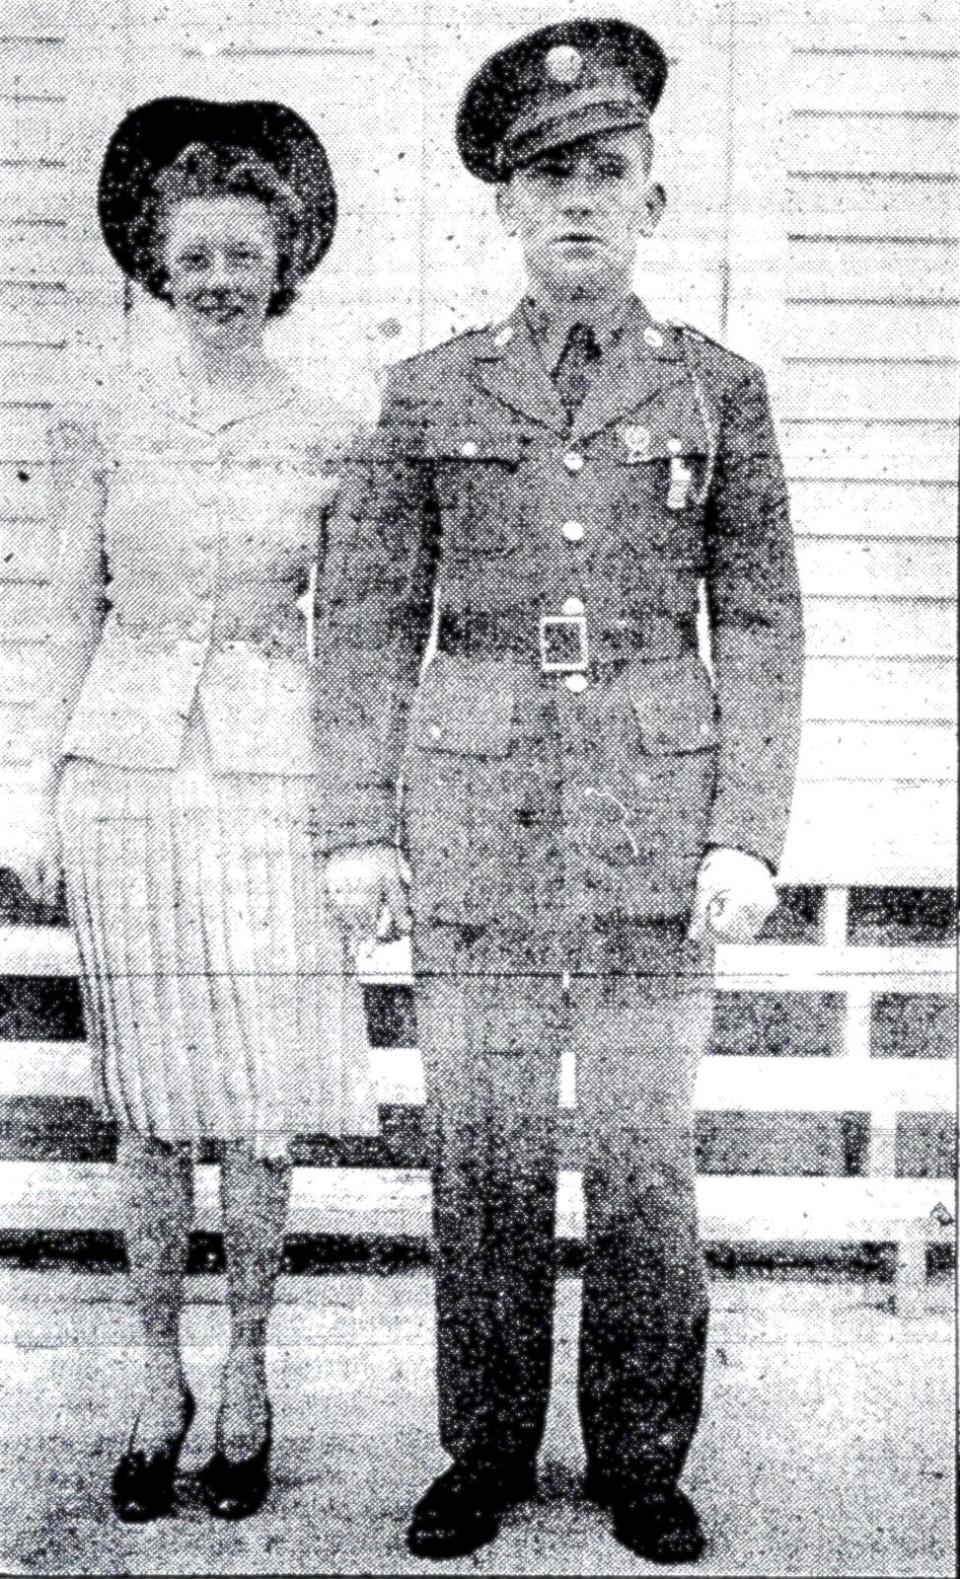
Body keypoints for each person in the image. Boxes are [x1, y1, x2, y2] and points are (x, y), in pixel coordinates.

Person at [321, 15, 804, 1565]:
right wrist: (355, 825)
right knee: (484, 1152)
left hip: (656, 828)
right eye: (544, 182)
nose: (576, 203)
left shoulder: (718, 391)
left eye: (605, 171)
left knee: (649, 1163)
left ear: (654, 195)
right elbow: (371, 622)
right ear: (506, 212)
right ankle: (483, 1449)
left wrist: (746, 830)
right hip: (475, 819)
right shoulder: (428, 390)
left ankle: (645, 1459)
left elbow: (770, 620)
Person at [14, 97, 378, 1523]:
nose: (221, 279)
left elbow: (348, 646)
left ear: (283, 267)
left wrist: (358, 818)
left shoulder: (334, 432)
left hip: (272, 789)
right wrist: (28, 794)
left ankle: (250, 1374)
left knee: (262, 1107)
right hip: (128, 789)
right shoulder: (100, 420)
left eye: (246, 254)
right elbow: (59, 621)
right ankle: (153, 1377)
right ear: (157, 268)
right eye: (197, 255)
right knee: (153, 1109)